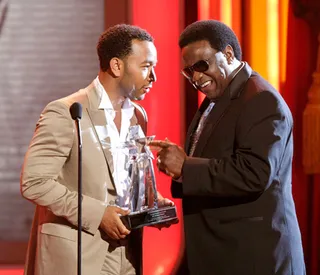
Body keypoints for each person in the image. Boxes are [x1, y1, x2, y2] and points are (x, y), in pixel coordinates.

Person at [150, 20, 305, 275]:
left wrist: (186, 167)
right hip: (224, 255)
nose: (196, 78)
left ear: (229, 54)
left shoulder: (261, 99)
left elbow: (255, 173)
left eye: (201, 65)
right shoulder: (217, 99)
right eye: (189, 72)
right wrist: (180, 172)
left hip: (256, 259)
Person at [20, 24, 173, 275]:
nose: (153, 76)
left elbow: (124, 178)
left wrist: (151, 203)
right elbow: (34, 181)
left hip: (128, 253)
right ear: (116, 66)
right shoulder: (66, 111)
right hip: (78, 254)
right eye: (146, 66)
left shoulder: (138, 115)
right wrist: (98, 214)